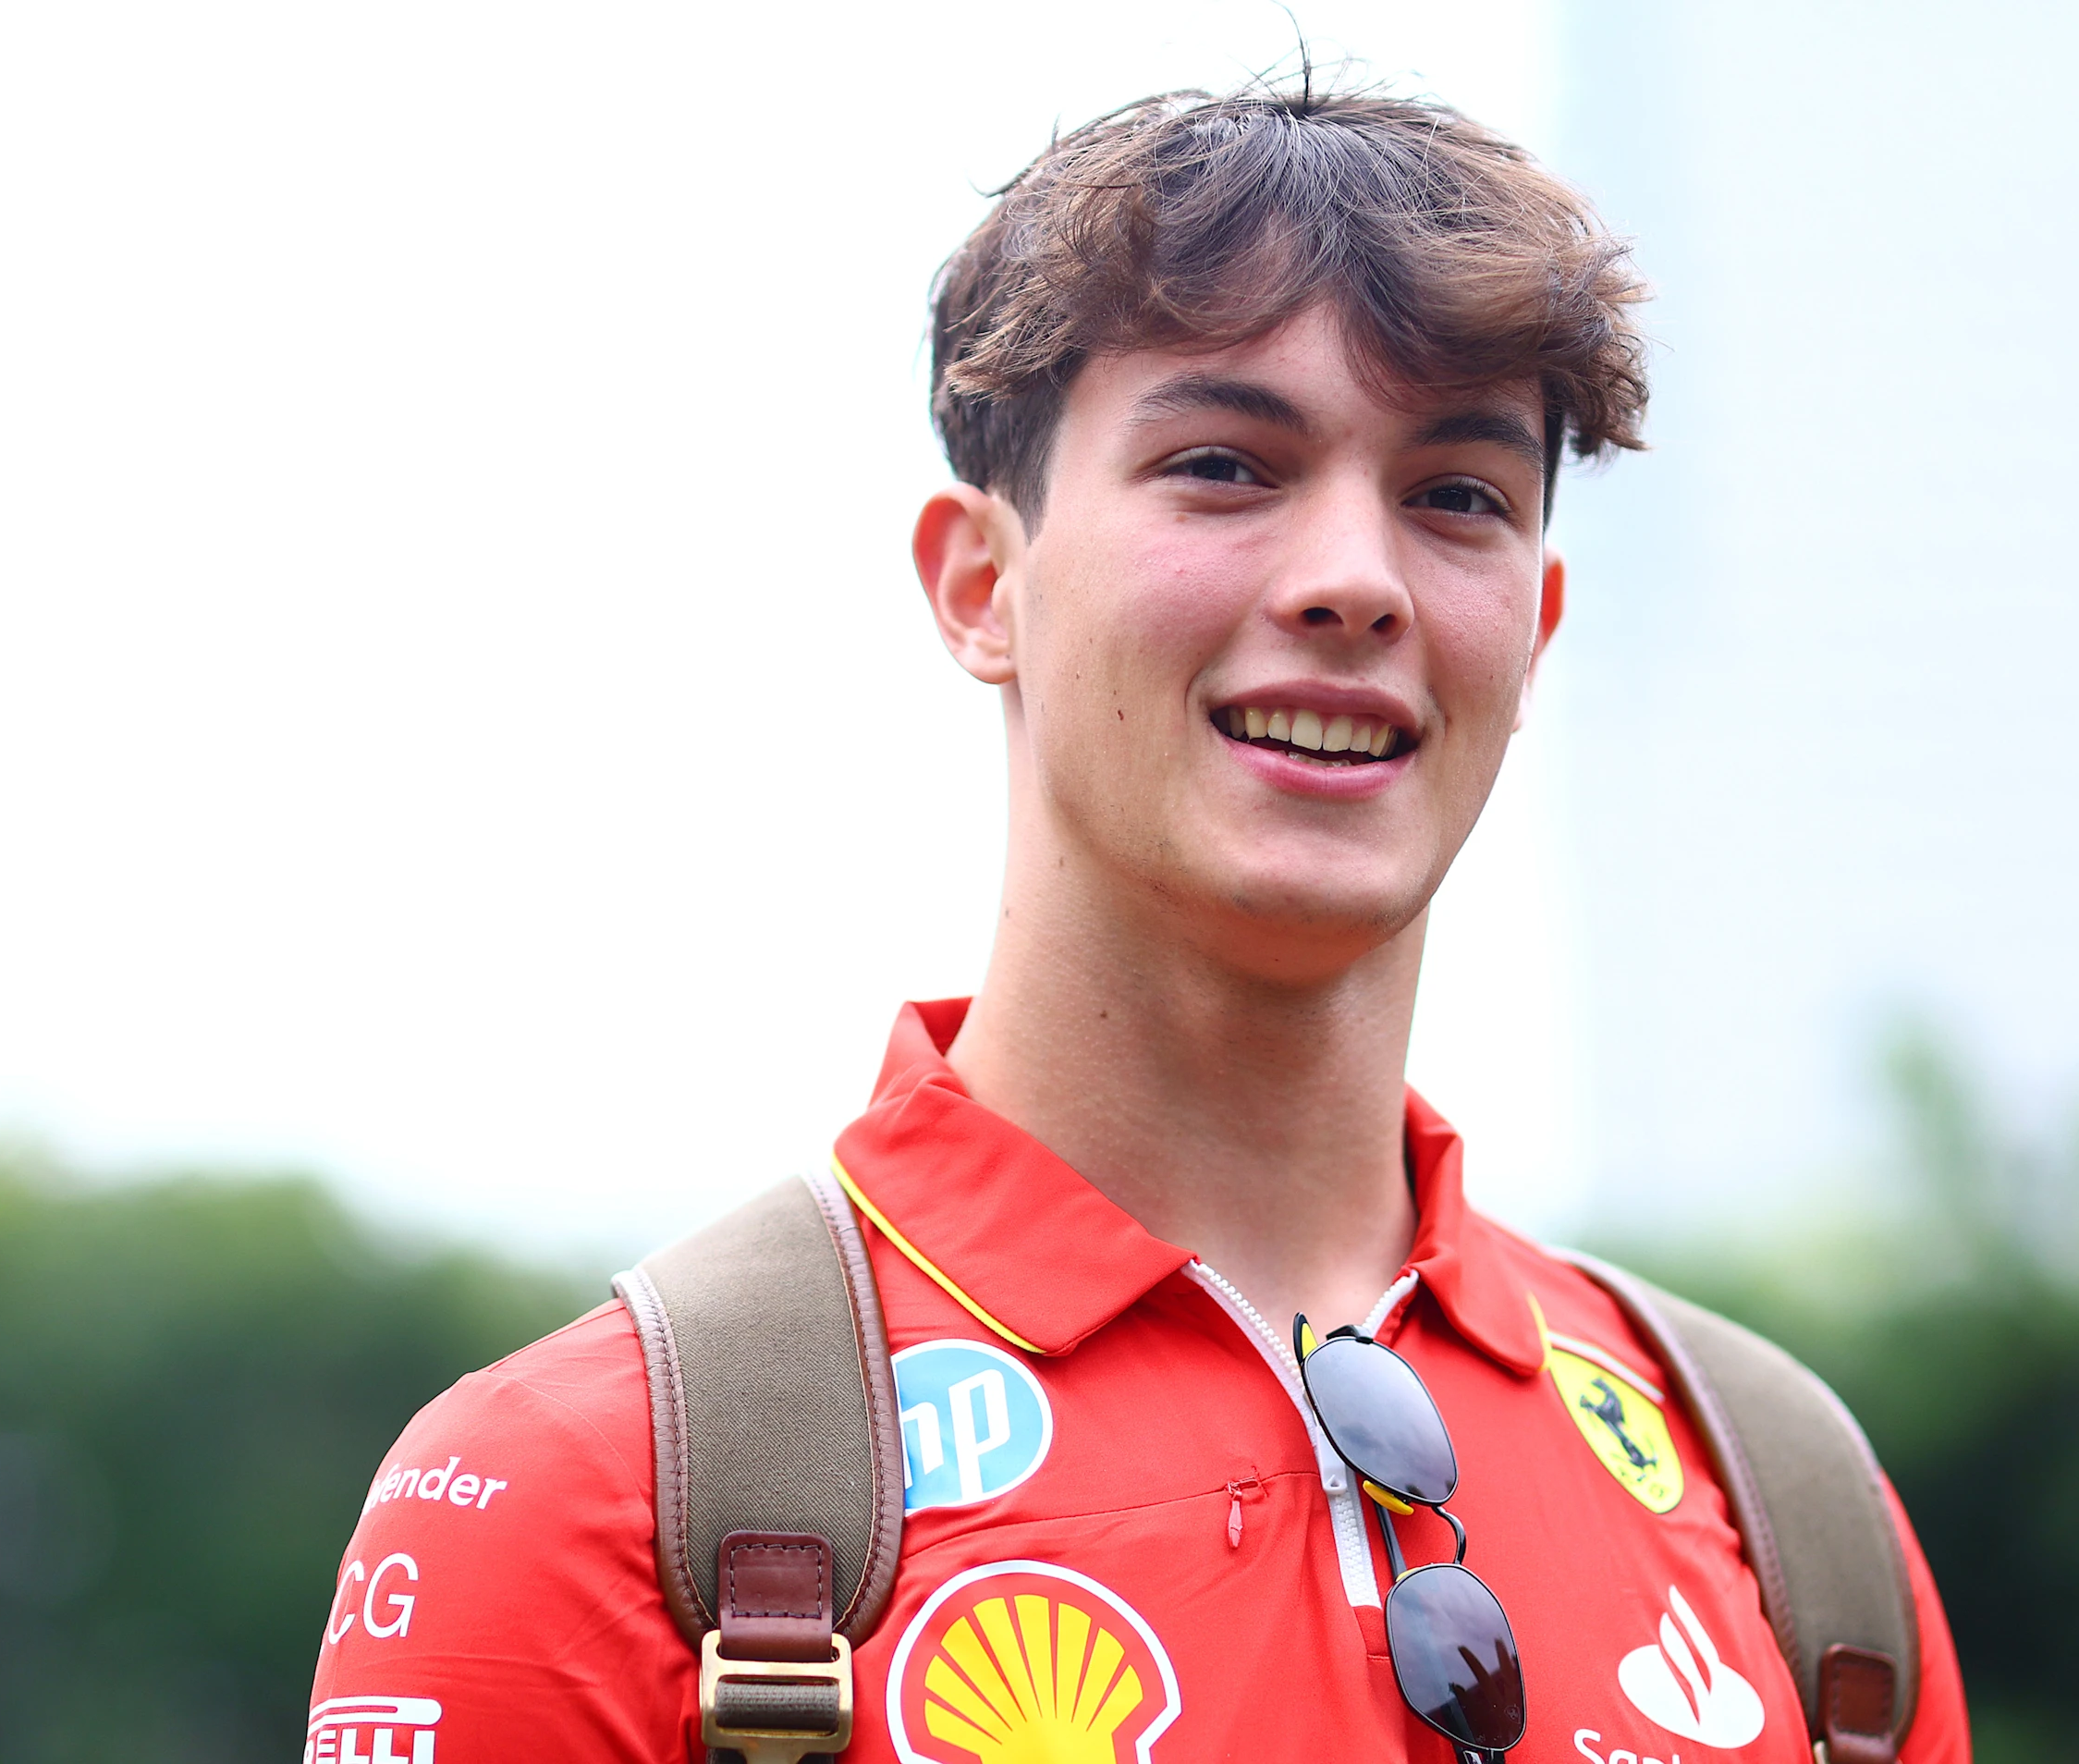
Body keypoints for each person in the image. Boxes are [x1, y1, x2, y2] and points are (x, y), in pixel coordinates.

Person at [305, 78, 1971, 1764]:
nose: (1356, 578)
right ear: (979, 586)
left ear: (1534, 631)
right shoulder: (585, 1500)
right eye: (1225, 465)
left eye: (1456, 492)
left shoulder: (1789, 1518)